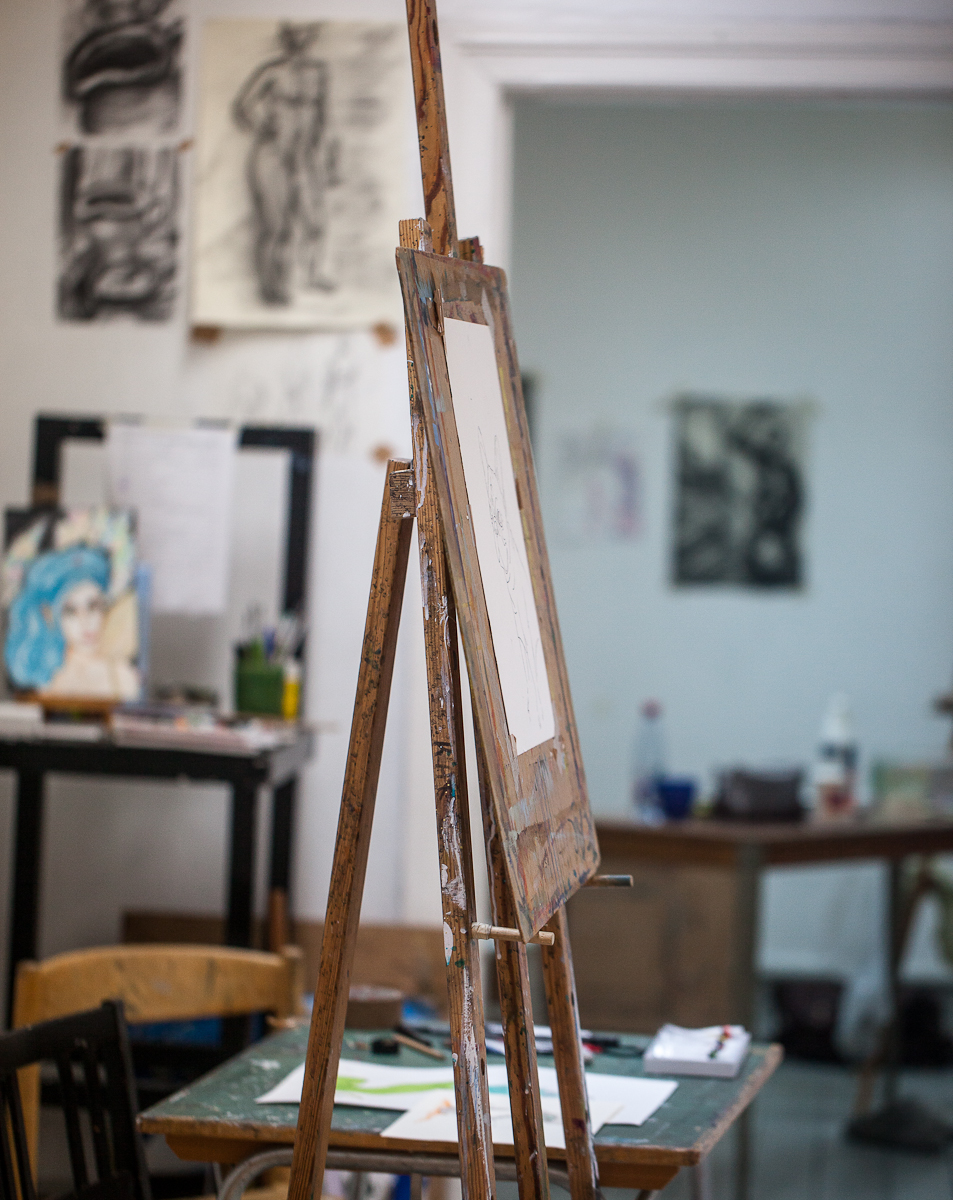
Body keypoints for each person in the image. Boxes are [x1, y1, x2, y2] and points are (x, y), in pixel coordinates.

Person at [233, 23, 336, 305]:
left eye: (304, 36)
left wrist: (328, 158)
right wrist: (261, 127)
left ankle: (313, 275)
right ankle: (270, 286)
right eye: (293, 36)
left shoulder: (318, 73)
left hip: (305, 156)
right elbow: (241, 107)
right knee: (276, 225)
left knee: (314, 221)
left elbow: (324, 119)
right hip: (273, 154)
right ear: (285, 38)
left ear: (311, 38)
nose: (298, 41)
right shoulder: (272, 71)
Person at [5, 545, 139, 700]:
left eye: (93, 606)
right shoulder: (45, 678)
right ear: (49, 615)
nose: (86, 622)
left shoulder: (121, 675)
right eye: (70, 611)